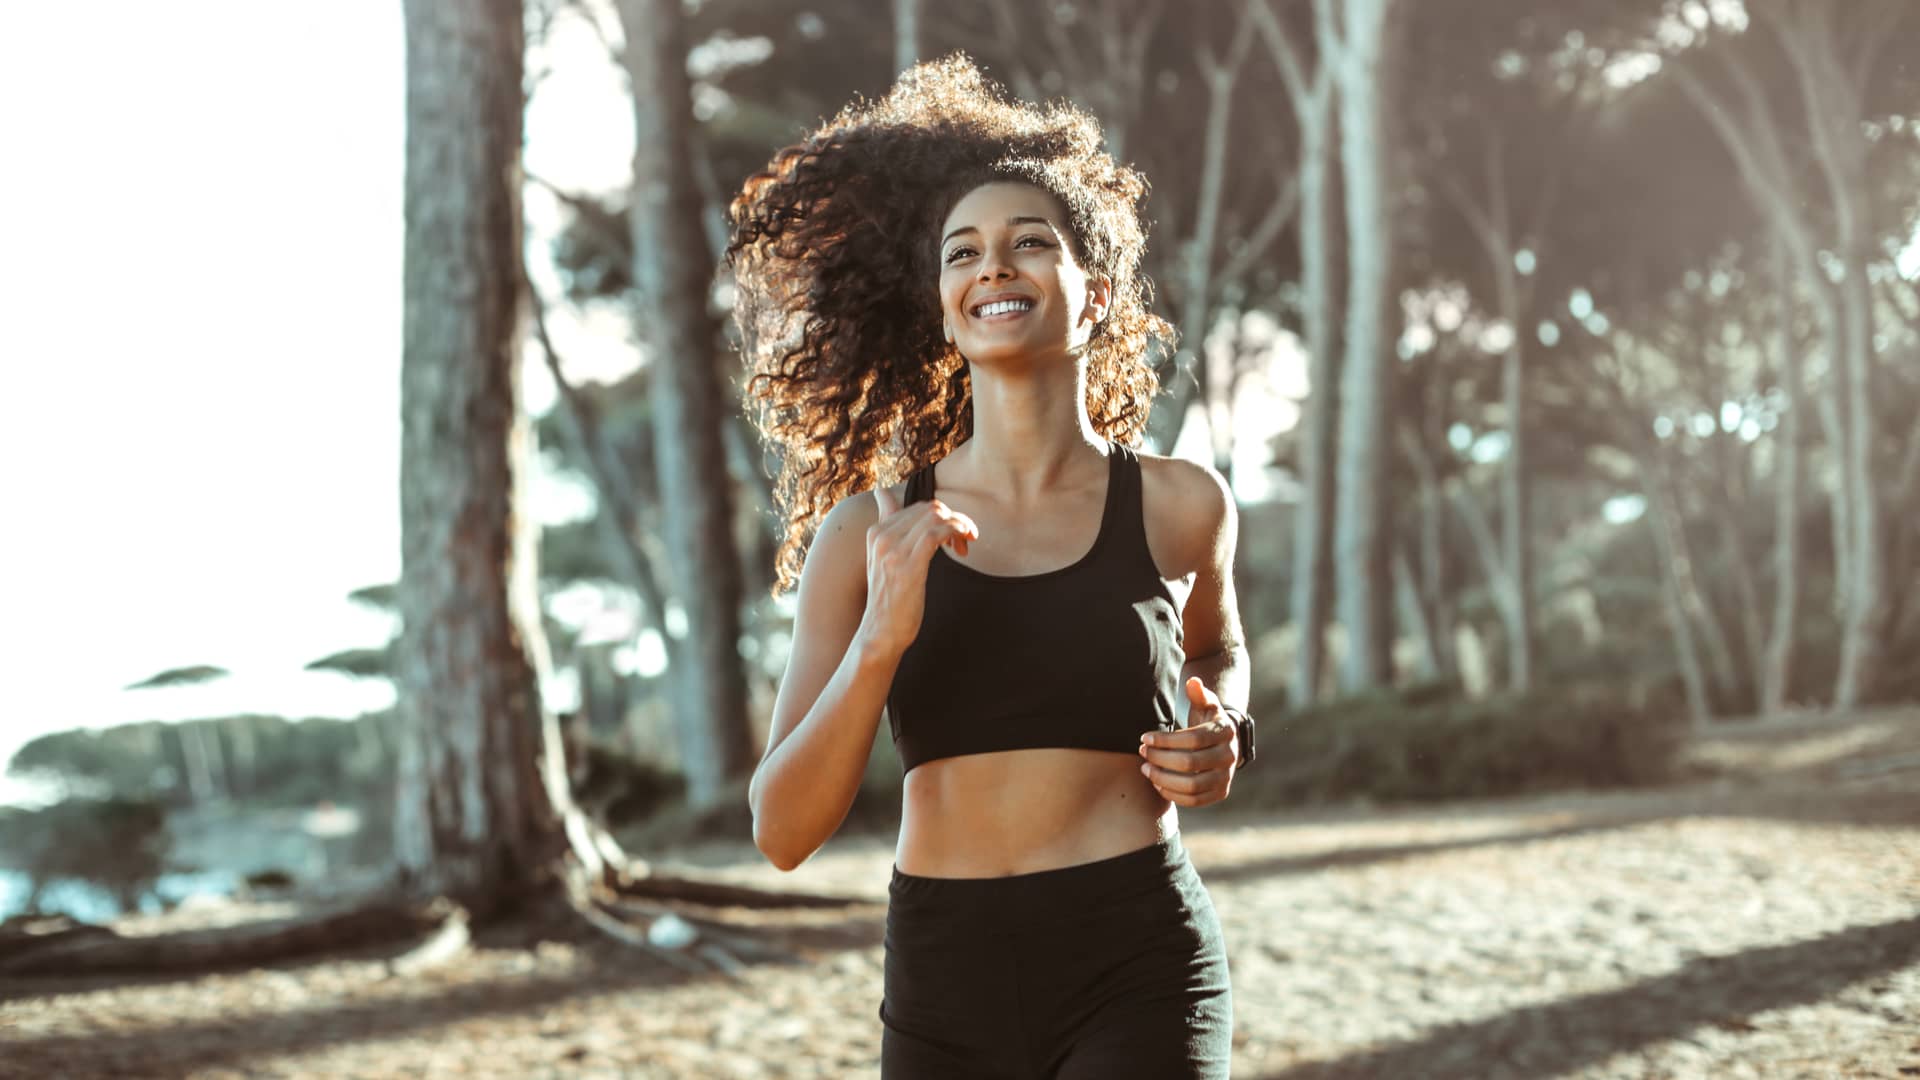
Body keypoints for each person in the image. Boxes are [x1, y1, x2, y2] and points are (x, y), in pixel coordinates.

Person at [727, 55, 1256, 1079]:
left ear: (1092, 295)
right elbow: (782, 831)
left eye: (1030, 244)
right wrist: (881, 635)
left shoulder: (1182, 504)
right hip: (945, 974)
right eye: (963, 253)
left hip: (1138, 950)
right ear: (942, 305)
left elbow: (1218, 645)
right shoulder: (866, 533)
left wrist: (1228, 722)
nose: (993, 267)